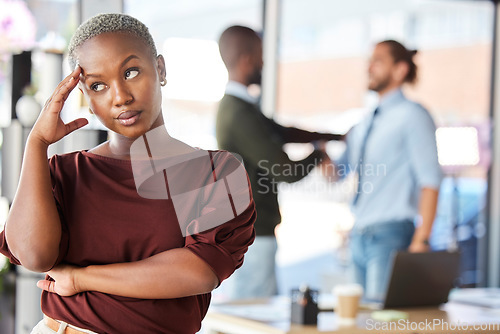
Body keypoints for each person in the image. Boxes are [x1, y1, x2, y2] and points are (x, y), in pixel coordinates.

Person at [0, 13, 256, 334]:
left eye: (131, 72)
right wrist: (36, 144)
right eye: (98, 85)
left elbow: (199, 271)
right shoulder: (64, 173)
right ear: (87, 99)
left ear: (160, 69)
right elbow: (34, 256)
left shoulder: (214, 173)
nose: (120, 96)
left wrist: (81, 278)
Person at [216, 25, 343, 299]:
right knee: (254, 319)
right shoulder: (238, 114)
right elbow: (285, 170)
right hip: (253, 235)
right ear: (247, 59)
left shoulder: (241, 108)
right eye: (261, 56)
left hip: (253, 233)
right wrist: (319, 155)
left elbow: (283, 132)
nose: (263, 63)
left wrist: (335, 136)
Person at [334, 40, 443, 301]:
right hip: (359, 234)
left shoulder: (413, 116)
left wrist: (422, 240)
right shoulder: (365, 121)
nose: (369, 67)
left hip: (391, 235)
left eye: (378, 61)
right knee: (357, 322)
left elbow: (431, 180)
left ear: (400, 70)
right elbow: (341, 171)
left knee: (381, 323)